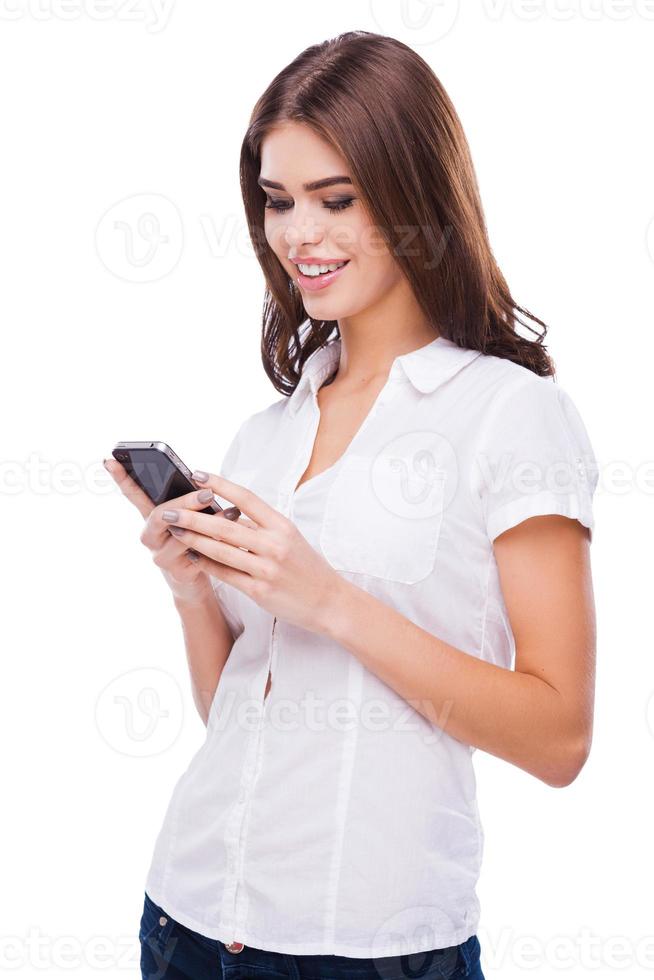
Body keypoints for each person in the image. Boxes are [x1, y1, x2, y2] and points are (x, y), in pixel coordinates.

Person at [105, 30, 598, 980]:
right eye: (278, 200)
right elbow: (237, 709)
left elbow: (559, 737)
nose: (299, 235)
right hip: (186, 919)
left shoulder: (512, 415)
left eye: (338, 199)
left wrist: (328, 599)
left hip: (366, 949)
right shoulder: (270, 430)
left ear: (416, 196)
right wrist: (194, 591)